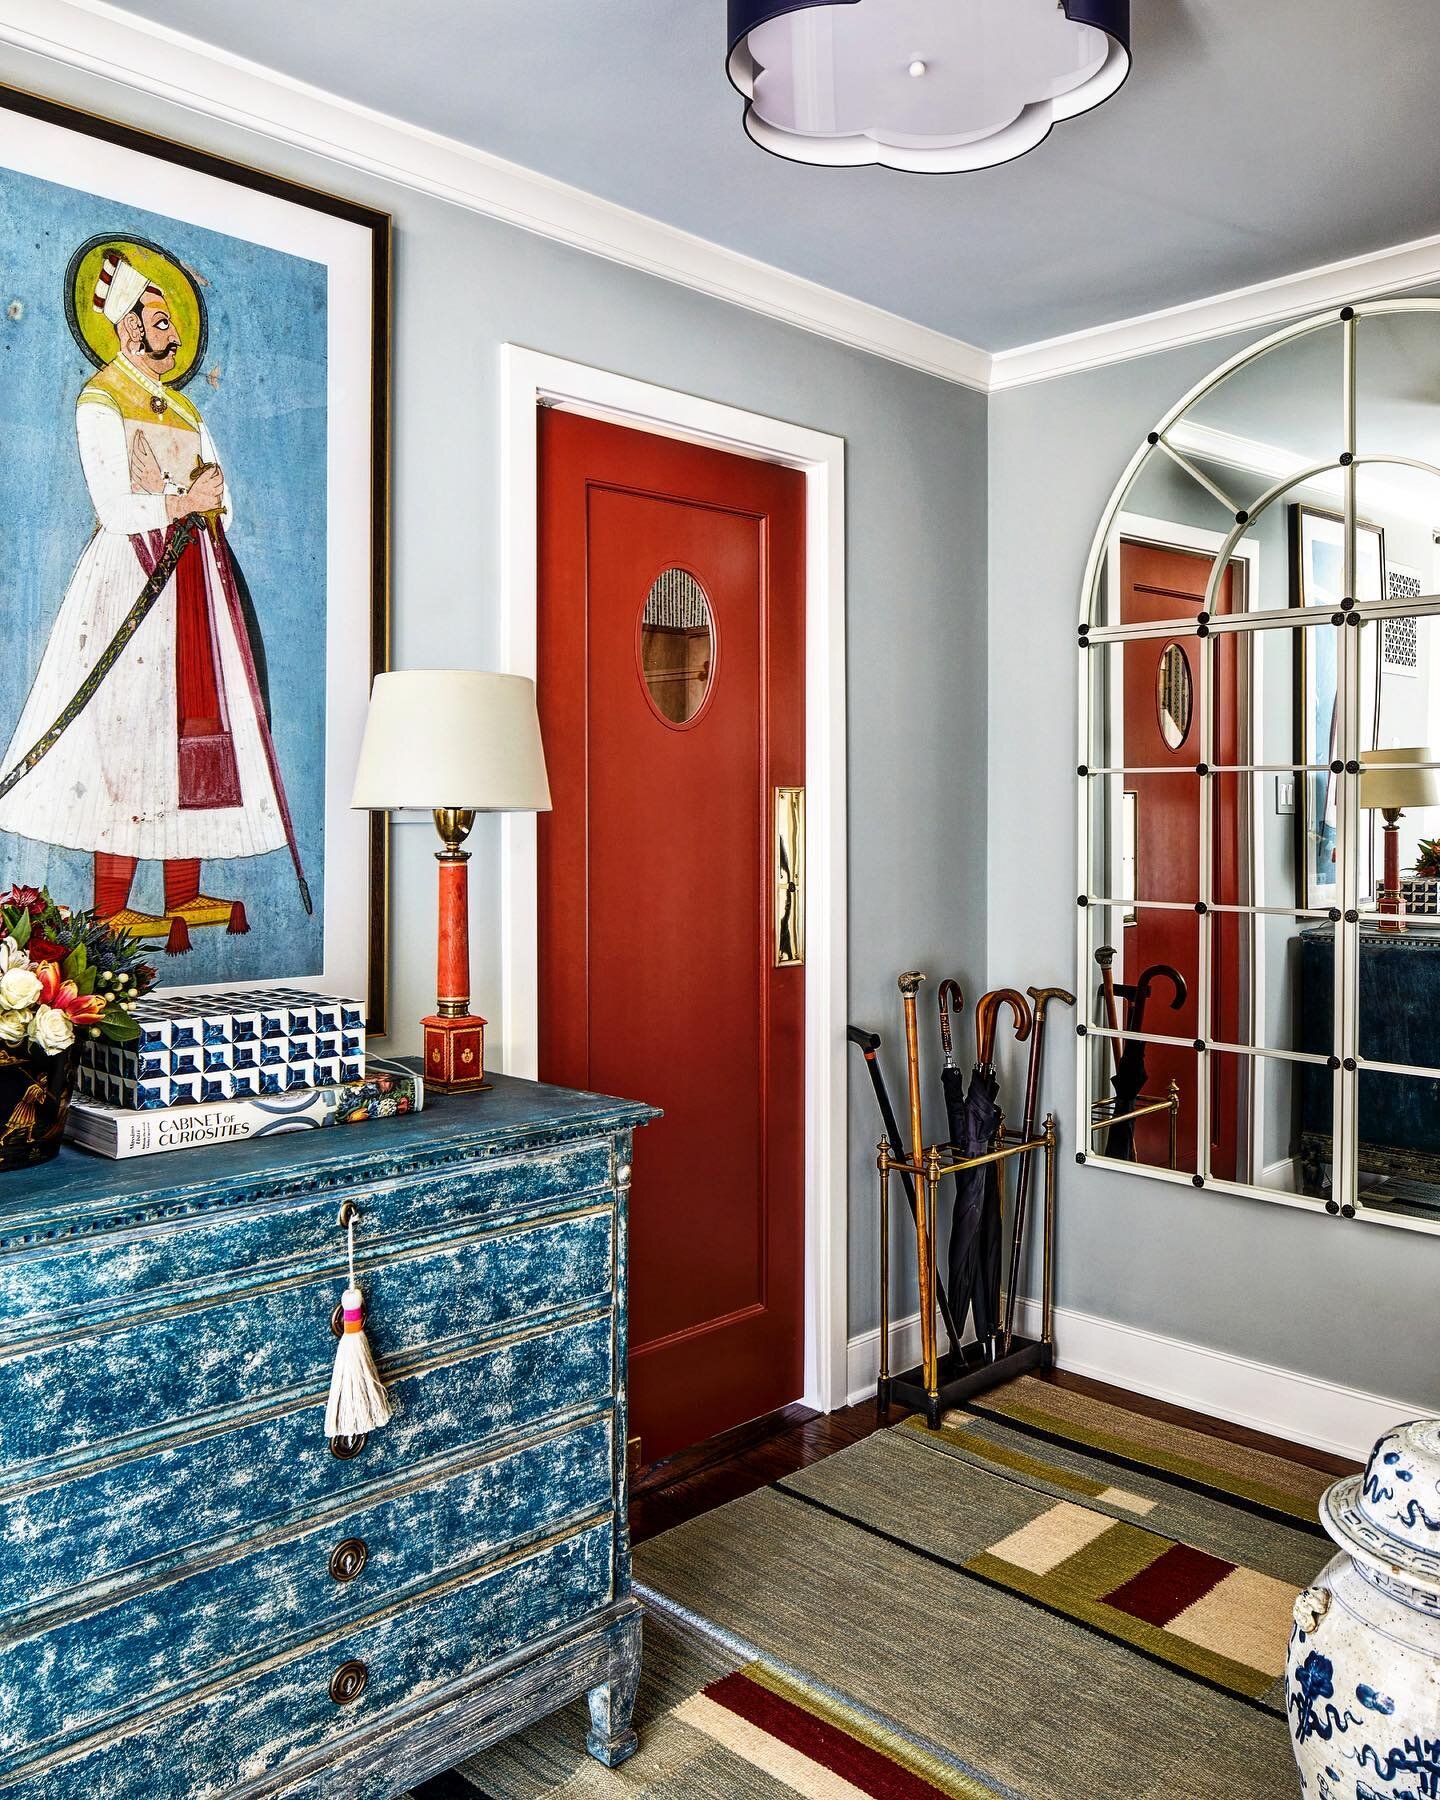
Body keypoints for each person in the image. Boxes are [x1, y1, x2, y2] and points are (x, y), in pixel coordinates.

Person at [0, 247, 304, 952]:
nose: (169, 336)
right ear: (126, 329)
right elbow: (115, 504)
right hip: (132, 582)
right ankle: (112, 900)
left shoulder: (187, 408)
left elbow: (221, 494)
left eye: (172, 321)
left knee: (193, 726)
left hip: (194, 578)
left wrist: (209, 503)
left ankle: (182, 889)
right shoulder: (102, 399)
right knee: (129, 728)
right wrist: (182, 499)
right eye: (158, 321)